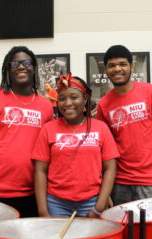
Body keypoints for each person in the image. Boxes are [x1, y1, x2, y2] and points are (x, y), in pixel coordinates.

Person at [0, 46, 54, 217]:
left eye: (26, 62)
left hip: (31, 193)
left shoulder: (46, 107)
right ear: (7, 69)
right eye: (14, 63)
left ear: (34, 68)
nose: (21, 66)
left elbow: (48, 151)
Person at [96, 45, 152, 206]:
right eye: (111, 65)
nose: (117, 69)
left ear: (131, 66)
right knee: (125, 230)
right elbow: (104, 151)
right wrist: (105, 189)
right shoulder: (104, 104)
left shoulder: (150, 92)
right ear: (105, 70)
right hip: (119, 183)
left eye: (122, 64)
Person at [32, 73, 119, 217]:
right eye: (62, 98)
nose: (67, 103)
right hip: (56, 203)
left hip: (91, 202)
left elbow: (110, 168)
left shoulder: (100, 128)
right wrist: (42, 210)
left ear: (85, 99)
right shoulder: (48, 129)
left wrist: (99, 206)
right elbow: (40, 171)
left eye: (74, 97)